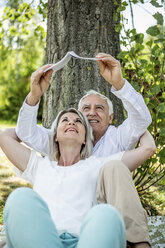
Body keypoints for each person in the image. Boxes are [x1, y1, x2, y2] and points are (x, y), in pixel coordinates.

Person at [15, 54, 155, 247]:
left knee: (113, 171)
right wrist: (34, 96)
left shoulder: (118, 136)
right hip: (69, 220)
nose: (91, 112)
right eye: (86, 109)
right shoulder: (65, 139)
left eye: (99, 108)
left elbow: (141, 120)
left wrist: (119, 83)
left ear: (111, 117)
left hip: (106, 218)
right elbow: (25, 132)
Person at [0, 108, 155, 248]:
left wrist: (138, 128)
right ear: (54, 136)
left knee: (106, 215)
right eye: (65, 120)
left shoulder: (97, 165)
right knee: (20, 198)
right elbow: (4, 136)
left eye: (78, 121)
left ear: (84, 139)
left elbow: (148, 149)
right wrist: (44, 132)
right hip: (43, 240)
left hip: (85, 241)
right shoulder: (40, 165)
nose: (71, 122)